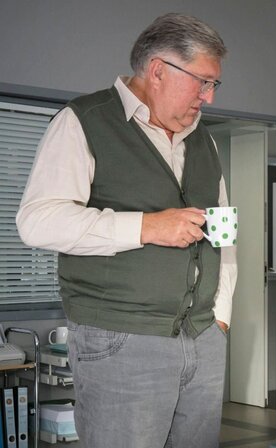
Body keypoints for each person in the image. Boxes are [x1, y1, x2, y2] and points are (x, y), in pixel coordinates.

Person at [16, 13, 236, 447]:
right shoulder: (82, 120)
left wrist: (222, 317)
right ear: (158, 70)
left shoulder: (203, 139)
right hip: (122, 339)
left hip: (203, 337)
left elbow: (223, 230)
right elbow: (37, 221)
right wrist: (147, 226)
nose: (208, 97)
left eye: (213, 85)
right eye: (203, 82)